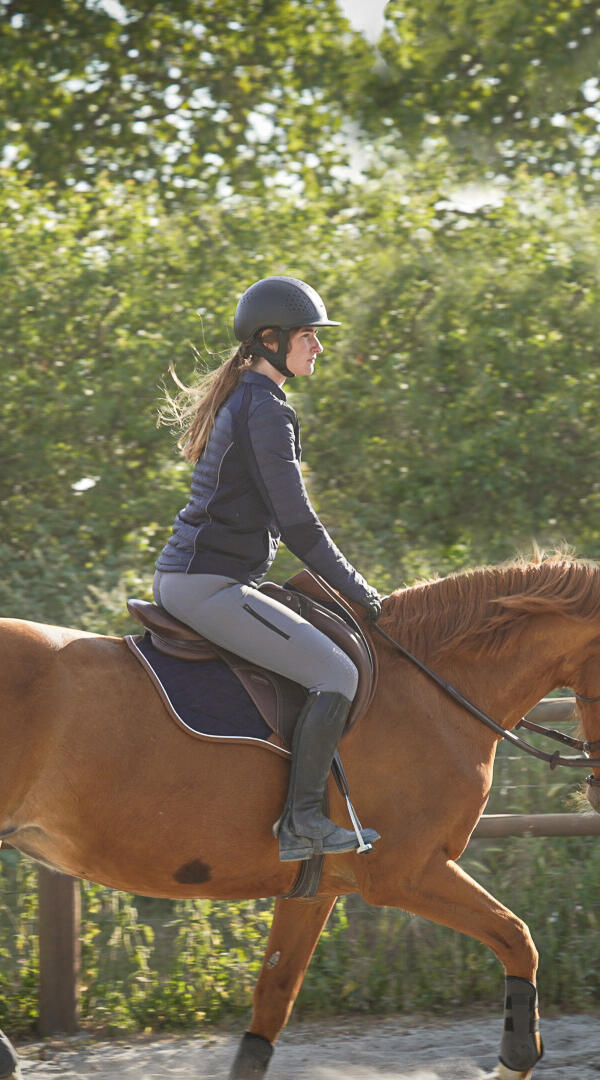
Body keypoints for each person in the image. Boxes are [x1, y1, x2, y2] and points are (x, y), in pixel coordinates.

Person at [154, 275, 382, 862]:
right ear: (271, 340)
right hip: (209, 586)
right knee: (337, 674)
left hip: (215, 579)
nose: (318, 347)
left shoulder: (258, 401)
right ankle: (302, 823)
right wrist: (362, 593)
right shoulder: (263, 410)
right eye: (309, 335)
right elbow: (300, 527)